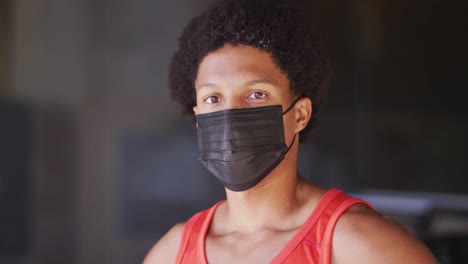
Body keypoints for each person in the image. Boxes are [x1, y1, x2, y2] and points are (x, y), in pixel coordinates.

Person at [144, 0, 438, 263]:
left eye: (256, 94)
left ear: (300, 114)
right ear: (197, 118)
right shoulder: (171, 253)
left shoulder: (363, 246)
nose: (230, 115)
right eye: (213, 98)